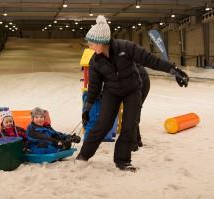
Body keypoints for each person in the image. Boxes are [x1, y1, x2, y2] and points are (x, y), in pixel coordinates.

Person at [76, 15, 189, 171]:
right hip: (112, 92)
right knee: (103, 124)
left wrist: (174, 70)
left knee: (130, 125)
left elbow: (150, 60)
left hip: (132, 90)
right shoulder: (95, 61)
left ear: (102, 42)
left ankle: (122, 161)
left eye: (92, 43)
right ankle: (83, 155)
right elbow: (95, 86)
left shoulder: (126, 48)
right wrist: (87, 108)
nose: (90, 46)